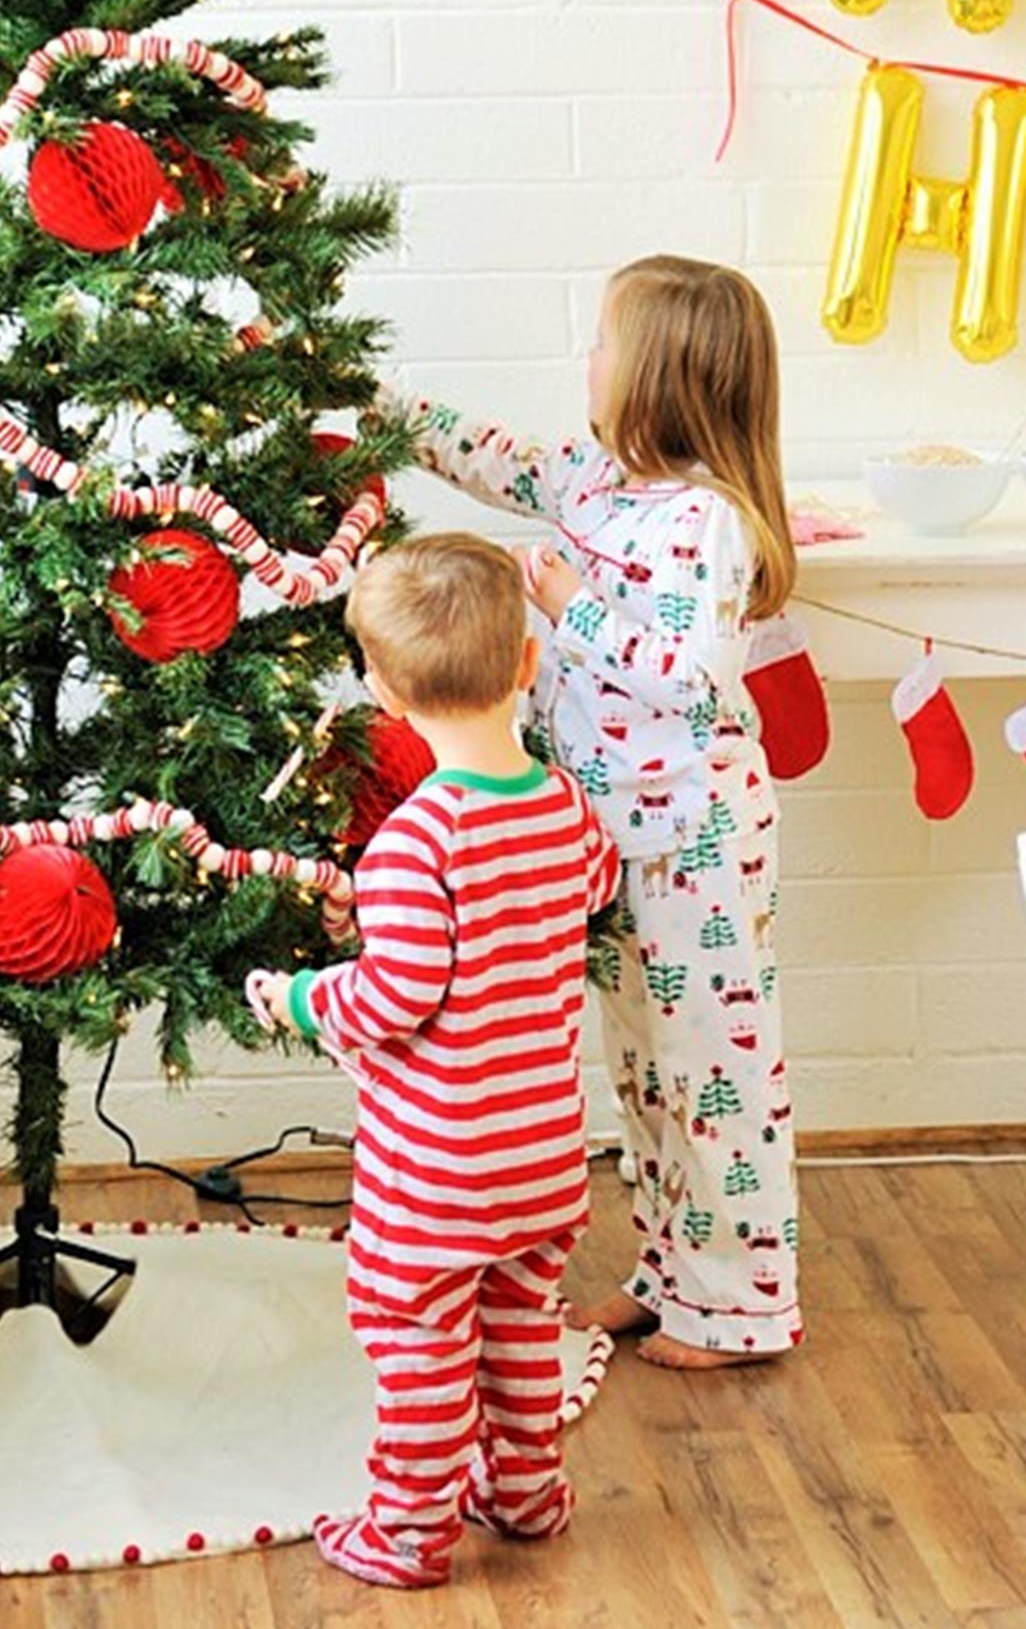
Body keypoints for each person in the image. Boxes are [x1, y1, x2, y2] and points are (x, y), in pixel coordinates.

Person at [399, 253, 802, 1367]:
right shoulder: (594, 481)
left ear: (659, 379)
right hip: (610, 834)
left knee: (713, 1079)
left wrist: (570, 606)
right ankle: (670, 1276)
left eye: (603, 345)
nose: (585, 361)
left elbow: (683, 671)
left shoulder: (704, 523)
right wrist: (364, 400)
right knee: (644, 1071)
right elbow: (494, 457)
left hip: (695, 847)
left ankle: (740, 1308)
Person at [248, 531, 621, 1591]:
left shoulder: (415, 839)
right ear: (525, 666)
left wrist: (300, 997)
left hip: (439, 1169)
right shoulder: (560, 805)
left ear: (382, 692)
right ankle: (526, 1490)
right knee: (515, 1327)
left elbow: (395, 996)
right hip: (542, 1156)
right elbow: (583, 891)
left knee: (414, 1340)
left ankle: (408, 1532)